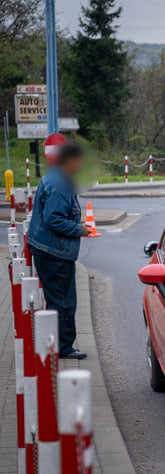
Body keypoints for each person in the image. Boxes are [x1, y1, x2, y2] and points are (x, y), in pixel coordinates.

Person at [27, 140, 94, 360]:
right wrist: (79, 229)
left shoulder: (54, 177)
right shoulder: (61, 184)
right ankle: (63, 348)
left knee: (56, 300)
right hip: (55, 253)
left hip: (46, 250)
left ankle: (55, 343)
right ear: (71, 160)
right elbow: (53, 218)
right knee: (64, 302)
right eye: (79, 161)